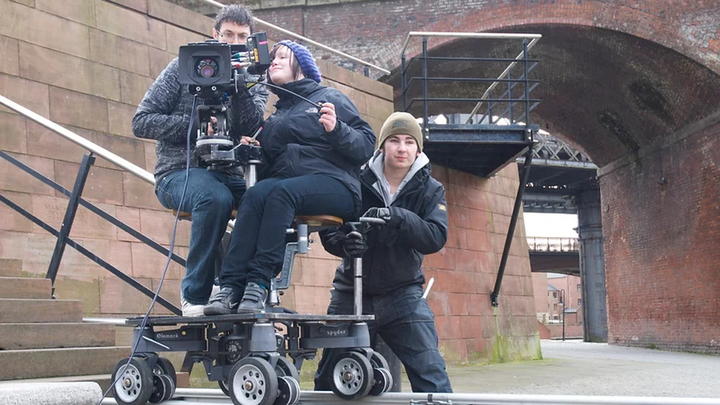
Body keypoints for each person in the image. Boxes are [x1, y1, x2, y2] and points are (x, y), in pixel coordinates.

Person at [204, 40, 376, 315]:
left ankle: (258, 283)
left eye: (283, 57)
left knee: (281, 193)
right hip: (289, 184)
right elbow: (269, 169)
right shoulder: (277, 116)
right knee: (255, 195)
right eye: (272, 58)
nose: (274, 62)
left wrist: (337, 129)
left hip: (336, 185)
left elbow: (366, 145)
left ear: (303, 68)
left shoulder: (330, 97)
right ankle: (230, 287)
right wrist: (254, 150)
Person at [132, 5, 269, 316]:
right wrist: (194, 124)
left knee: (270, 198)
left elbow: (252, 126)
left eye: (242, 37)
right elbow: (141, 121)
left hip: (231, 170)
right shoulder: (182, 67)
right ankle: (195, 295)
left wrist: (239, 87)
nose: (234, 41)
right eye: (229, 34)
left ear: (250, 41)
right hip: (178, 172)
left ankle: (250, 288)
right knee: (214, 197)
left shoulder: (253, 79)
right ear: (215, 34)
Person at [314, 112, 453, 393]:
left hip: (403, 294)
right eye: (394, 140)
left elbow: (435, 237)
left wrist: (399, 217)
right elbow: (329, 227)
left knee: (432, 375)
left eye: (409, 142)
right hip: (351, 294)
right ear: (382, 146)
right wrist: (344, 244)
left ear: (418, 149)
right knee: (330, 382)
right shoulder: (355, 179)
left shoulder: (431, 190)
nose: (402, 148)